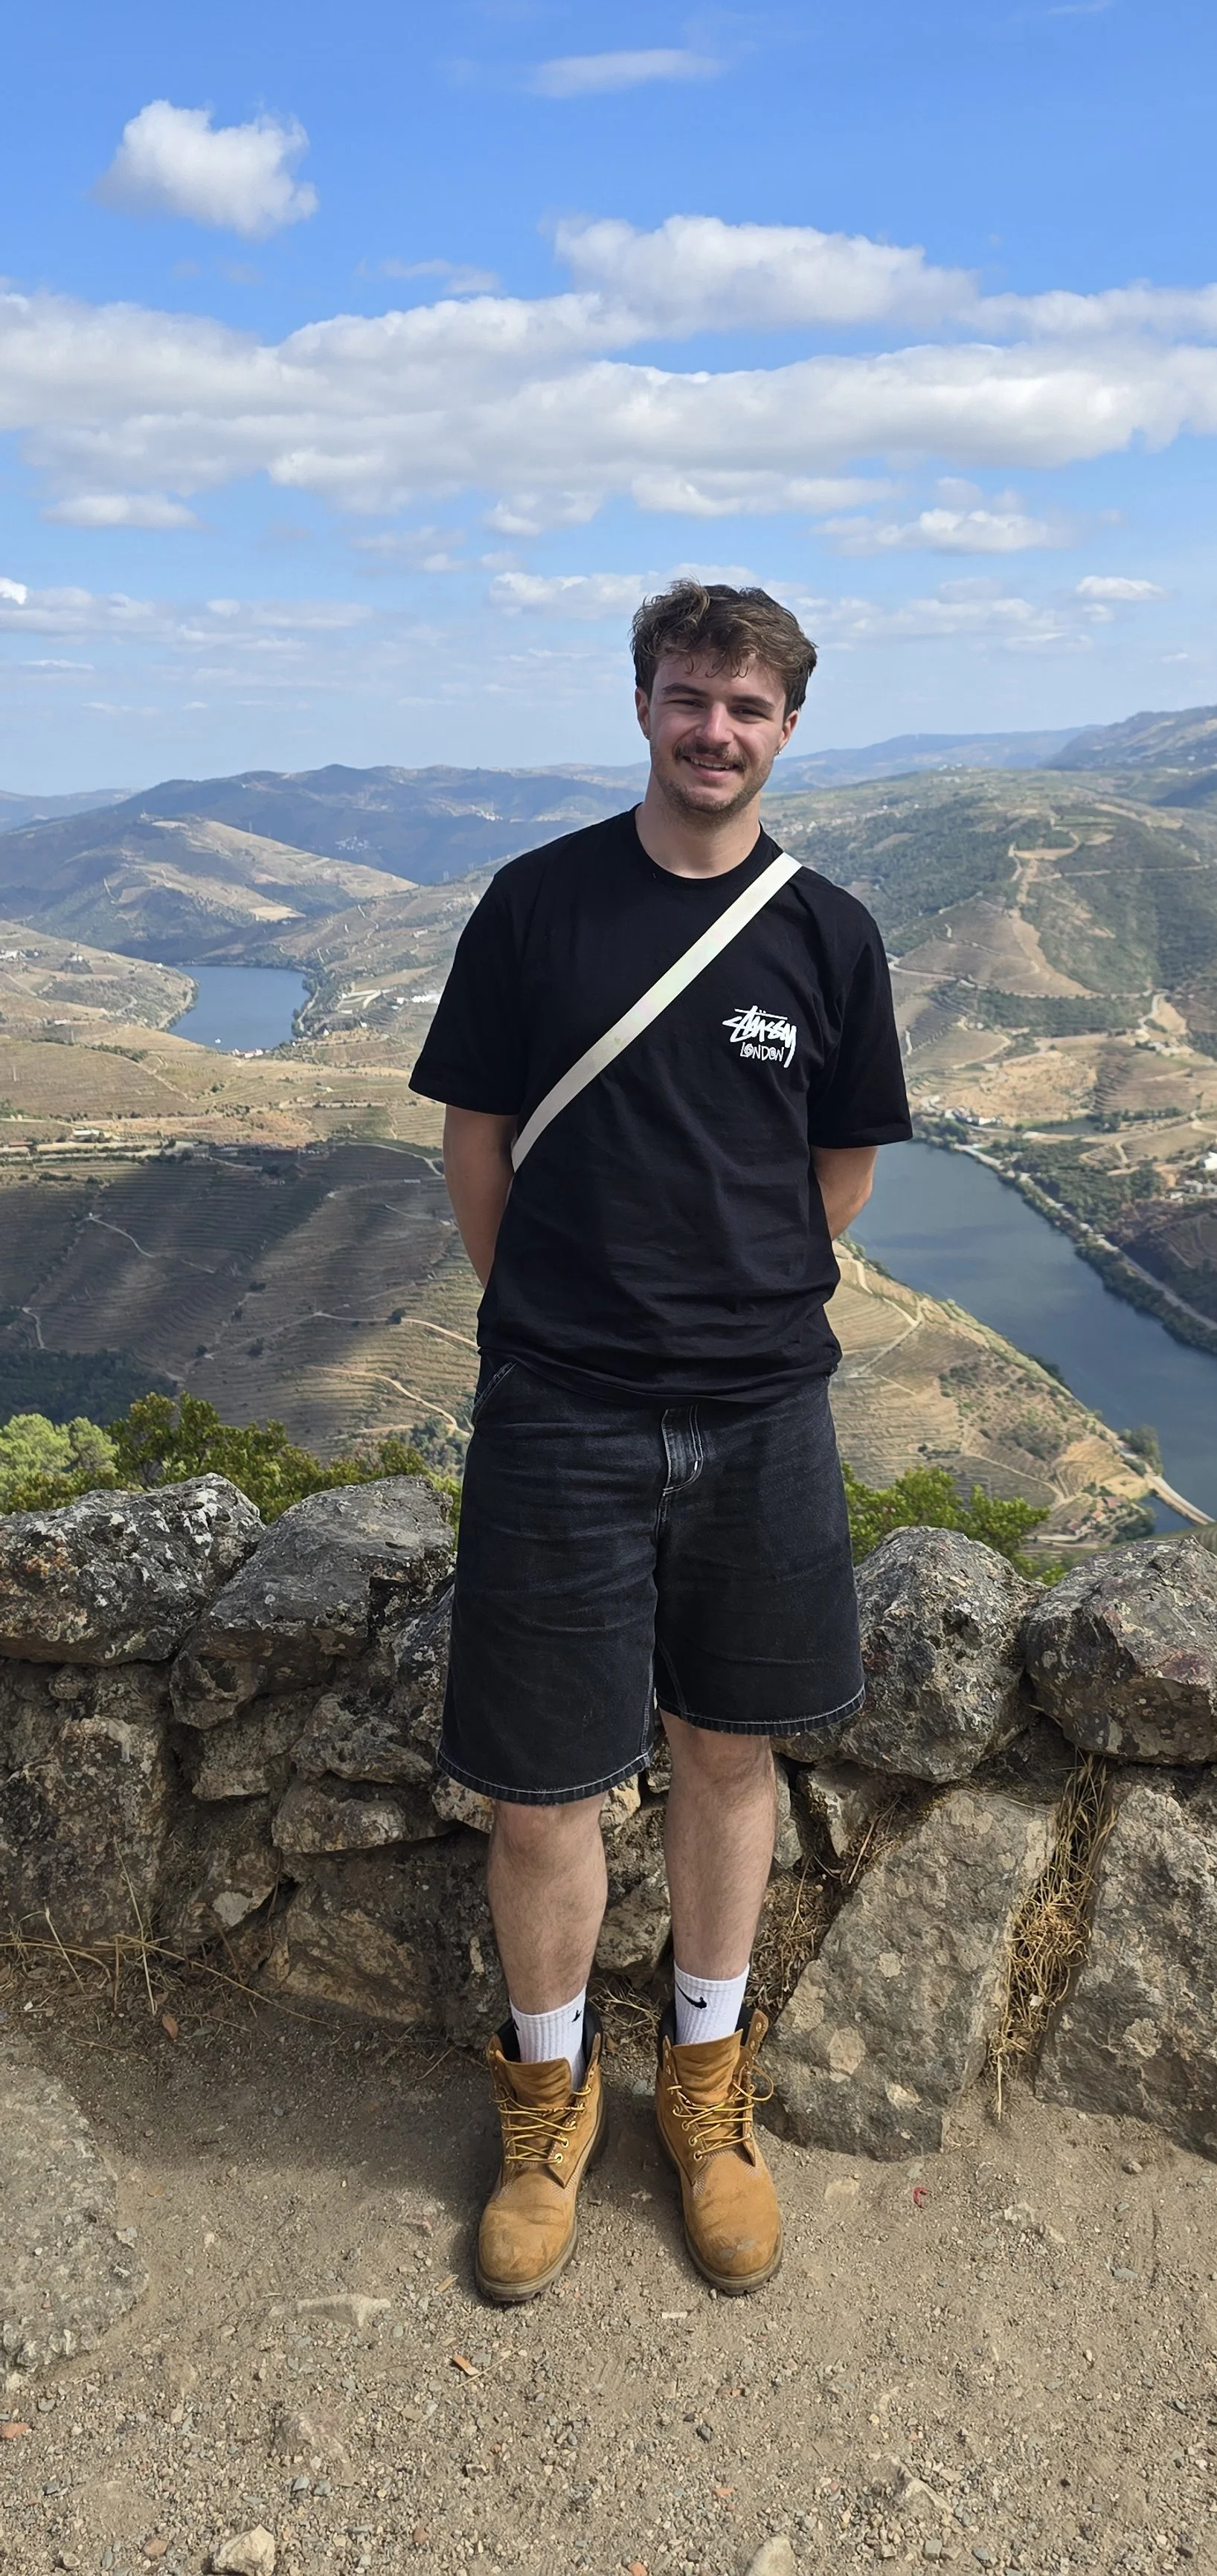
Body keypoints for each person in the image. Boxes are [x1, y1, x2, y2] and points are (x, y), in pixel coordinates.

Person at [408, 579, 911, 2305]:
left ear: (787, 729)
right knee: (541, 1784)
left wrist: (737, 1306)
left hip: (762, 1407)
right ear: (642, 706)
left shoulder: (827, 934)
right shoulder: (537, 908)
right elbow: (479, 1147)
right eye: (690, 698)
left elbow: (837, 1168)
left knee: (727, 1755)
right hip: (562, 1409)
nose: (716, 731)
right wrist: (552, 1324)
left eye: (748, 708)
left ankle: (706, 2085)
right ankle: (546, 2098)